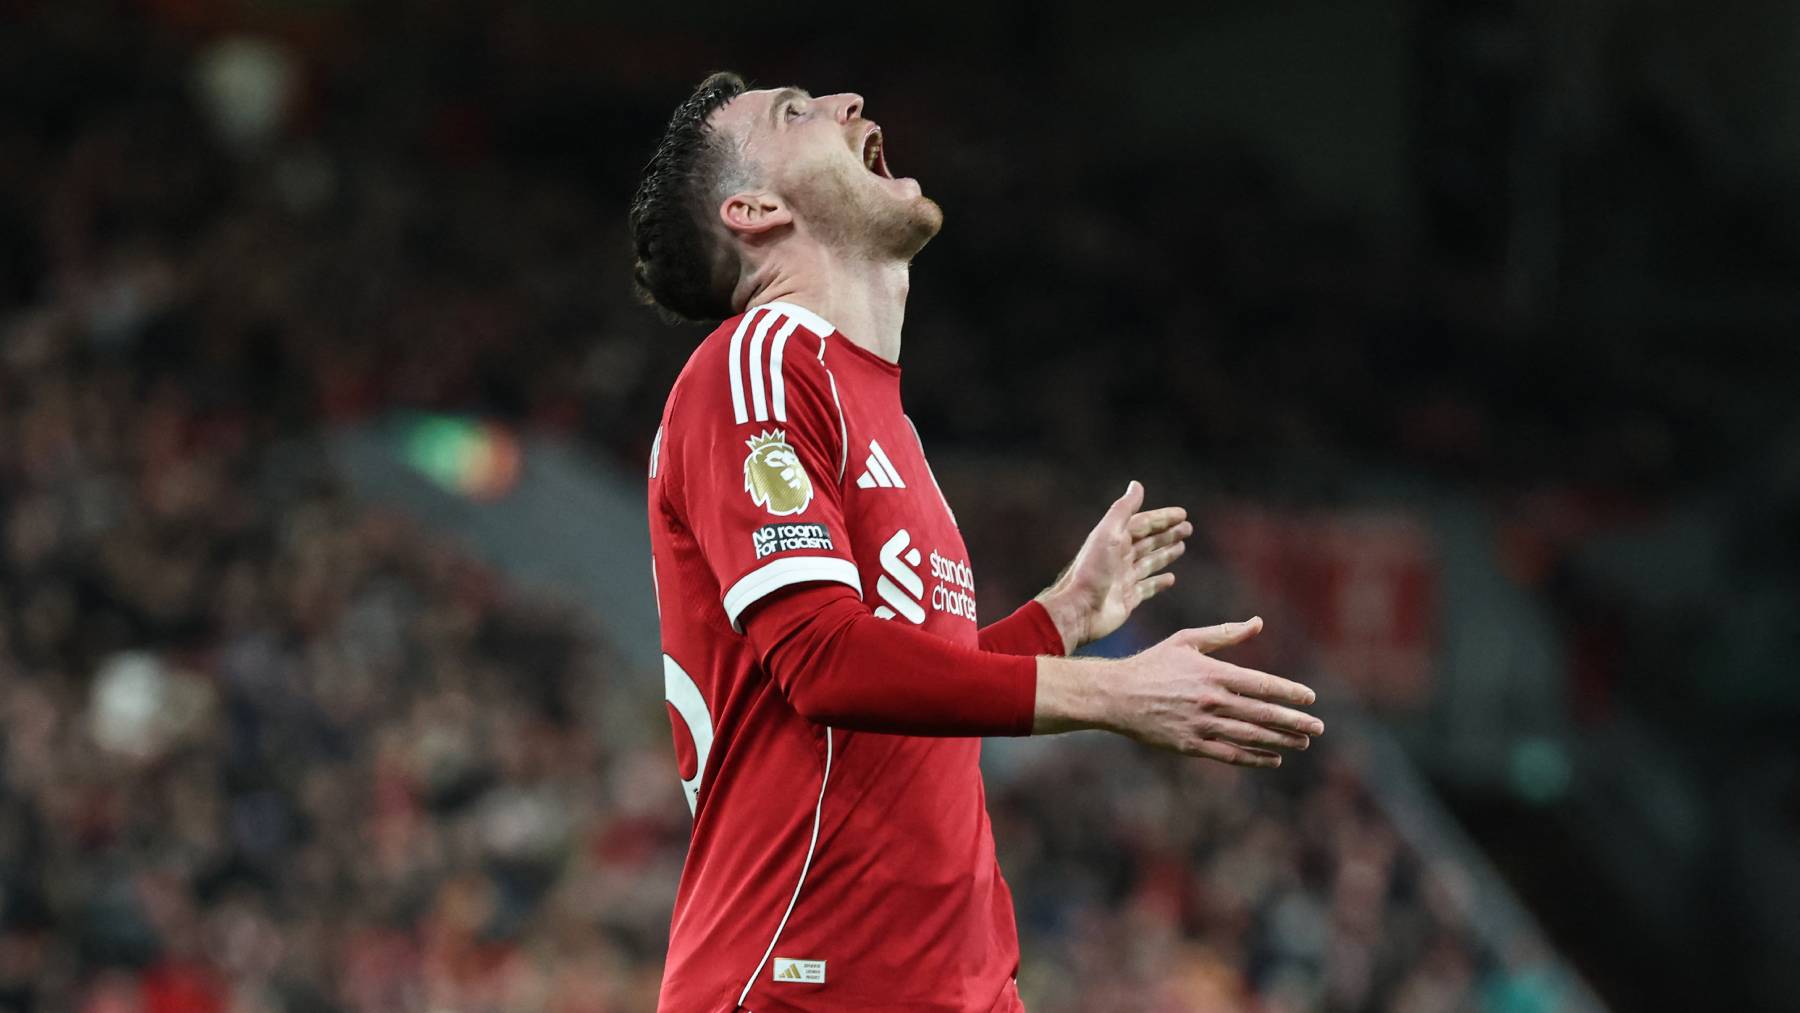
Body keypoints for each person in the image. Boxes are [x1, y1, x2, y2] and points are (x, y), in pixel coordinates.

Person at [631, 71, 1325, 1013]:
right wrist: (1113, 692)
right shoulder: (756, 364)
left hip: (952, 988)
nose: (847, 102)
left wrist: (1059, 619)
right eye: (796, 112)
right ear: (754, 210)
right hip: (801, 981)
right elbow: (823, 663)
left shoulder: (885, 420)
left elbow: (904, 718)